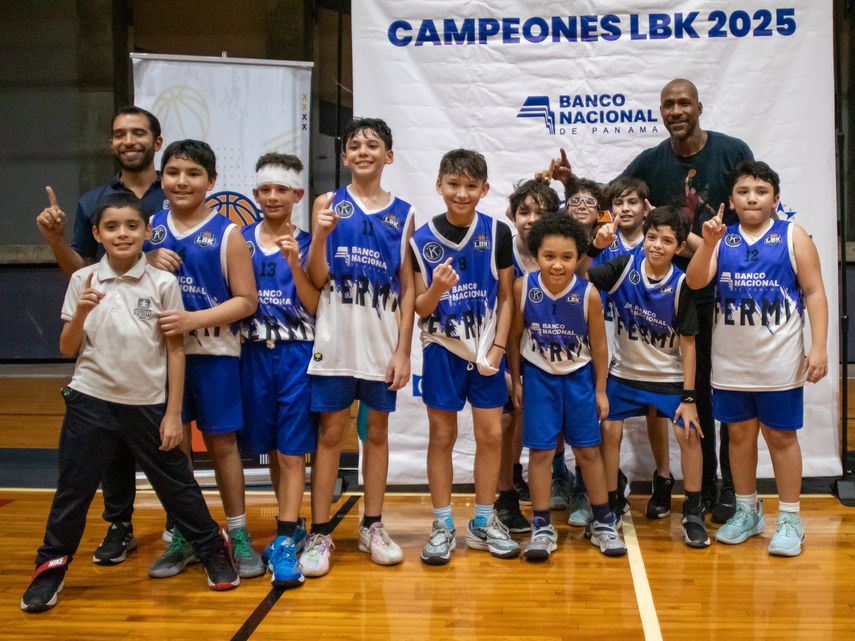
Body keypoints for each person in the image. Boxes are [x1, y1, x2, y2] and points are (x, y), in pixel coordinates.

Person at [20, 193, 239, 613]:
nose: (123, 234)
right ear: (97, 234)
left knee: (178, 488)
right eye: (113, 227)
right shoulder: (82, 280)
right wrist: (81, 312)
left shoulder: (163, 283)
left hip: (150, 406)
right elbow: (68, 349)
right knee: (73, 491)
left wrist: (174, 414)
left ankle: (212, 548)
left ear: (145, 233)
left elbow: (176, 351)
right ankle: (50, 568)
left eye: (132, 226)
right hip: (91, 401)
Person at [549, 79, 755, 520]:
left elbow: (751, 206)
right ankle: (671, 484)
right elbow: (618, 194)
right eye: (668, 105)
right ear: (661, 112)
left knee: (713, 391)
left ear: (699, 106)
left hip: (721, 285)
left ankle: (727, 490)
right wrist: (572, 185)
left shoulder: (732, 150)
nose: (676, 110)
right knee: (689, 393)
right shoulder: (652, 161)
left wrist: (720, 252)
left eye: (684, 103)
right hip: (669, 290)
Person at [34, 106, 169, 566]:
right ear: (112, 143)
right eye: (119, 134)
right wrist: (56, 243)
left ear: (157, 140)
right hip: (109, 340)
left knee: (171, 445)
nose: (128, 140)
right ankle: (120, 526)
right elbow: (84, 273)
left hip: (166, 335)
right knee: (111, 448)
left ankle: (181, 532)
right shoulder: (94, 201)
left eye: (137, 133)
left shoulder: (174, 192)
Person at [686, 161, 828, 556]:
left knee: (782, 437)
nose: (752, 197)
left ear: (775, 199)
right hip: (731, 363)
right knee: (740, 435)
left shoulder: (792, 236)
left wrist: (818, 347)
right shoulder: (722, 238)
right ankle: (748, 510)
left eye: (761, 191)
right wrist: (709, 243)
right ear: (731, 200)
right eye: (744, 191)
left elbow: (814, 292)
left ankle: (790, 518)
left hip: (779, 362)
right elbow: (696, 282)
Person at [144, 140, 262, 578]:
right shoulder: (150, 229)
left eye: (193, 173)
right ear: (162, 177)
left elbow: (247, 301)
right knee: (173, 450)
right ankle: (187, 533)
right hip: (160, 358)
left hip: (213, 354)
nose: (181, 181)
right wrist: (146, 258)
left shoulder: (228, 233)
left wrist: (193, 319)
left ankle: (239, 532)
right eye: (173, 172)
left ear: (211, 182)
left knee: (222, 445)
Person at [304, 117, 414, 577]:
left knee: (377, 435)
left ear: (388, 156)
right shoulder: (328, 203)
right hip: (335, 339)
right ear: (345, 156)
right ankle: (321, 531)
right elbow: (314, 278)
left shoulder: (404, 212)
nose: (364, 151)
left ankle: (372, 525)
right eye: (355, 145)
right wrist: (322, 235)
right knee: (329, 435)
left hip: (380, 343)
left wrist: (404, 351)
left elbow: (408, 289)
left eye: (373, 145)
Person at [412, 149, 520, 565]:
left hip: (486, 349)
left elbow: (507, 297)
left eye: (471, 186)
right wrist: (437, 289)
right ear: (439, 185)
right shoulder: (420, 239)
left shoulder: (497, 232)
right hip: (443, 347)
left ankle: (483, 520)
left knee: (492, 435)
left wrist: (496, 348)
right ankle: (442, 523)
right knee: (442, 436)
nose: (461, 193)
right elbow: (420, 307)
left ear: (484, 189)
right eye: (453, 184)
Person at [585, 205, 709, 547]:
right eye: (652, 237)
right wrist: (594, 247)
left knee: (689, 432)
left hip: (667, 378)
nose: (656, 245)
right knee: (608, 428)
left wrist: (689, 398)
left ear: (679, 247)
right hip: (624, 374)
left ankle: (693, 510)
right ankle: (609, 502)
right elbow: (579, 278)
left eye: (666, 240)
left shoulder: (683, 283)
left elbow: (688, 345)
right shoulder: (623, 268)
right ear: (643, 239)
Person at [507, 213, 626, 560]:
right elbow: (515, 338)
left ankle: (603, 519)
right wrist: (516, 380)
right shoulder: (523, 287)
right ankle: (542, 525)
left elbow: (600, 346)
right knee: (541, 453)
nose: (558, 265)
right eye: (549, 257)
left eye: (567, 257)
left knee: (589, 450)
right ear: (537, 255)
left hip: (579, 380)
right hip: (540, 378)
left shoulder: (588, 293)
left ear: (578, 258)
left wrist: (601, 389)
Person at [239, 153, 319, 587]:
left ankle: (285, 538)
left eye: (281, 190)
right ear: (255, 194)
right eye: (265, 190)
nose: (272, 197)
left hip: (296, 353)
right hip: (251, 354)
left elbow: (316, 305)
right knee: (269, 447)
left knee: (292, 451)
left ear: (297, 195)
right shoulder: (239, 240)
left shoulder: (310, 243)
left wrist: (293, 263)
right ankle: (290, 524)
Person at [494, 179, 560, 534]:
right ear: (512, 215)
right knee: (507, 422)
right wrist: (500, 360)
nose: (532, 219)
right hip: (505, 349)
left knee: (533, 426)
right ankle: (504, 497)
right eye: (524, 211)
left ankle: (545, 484)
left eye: (541, 212)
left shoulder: (558, 252)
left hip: (545, 351)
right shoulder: (502, 249)